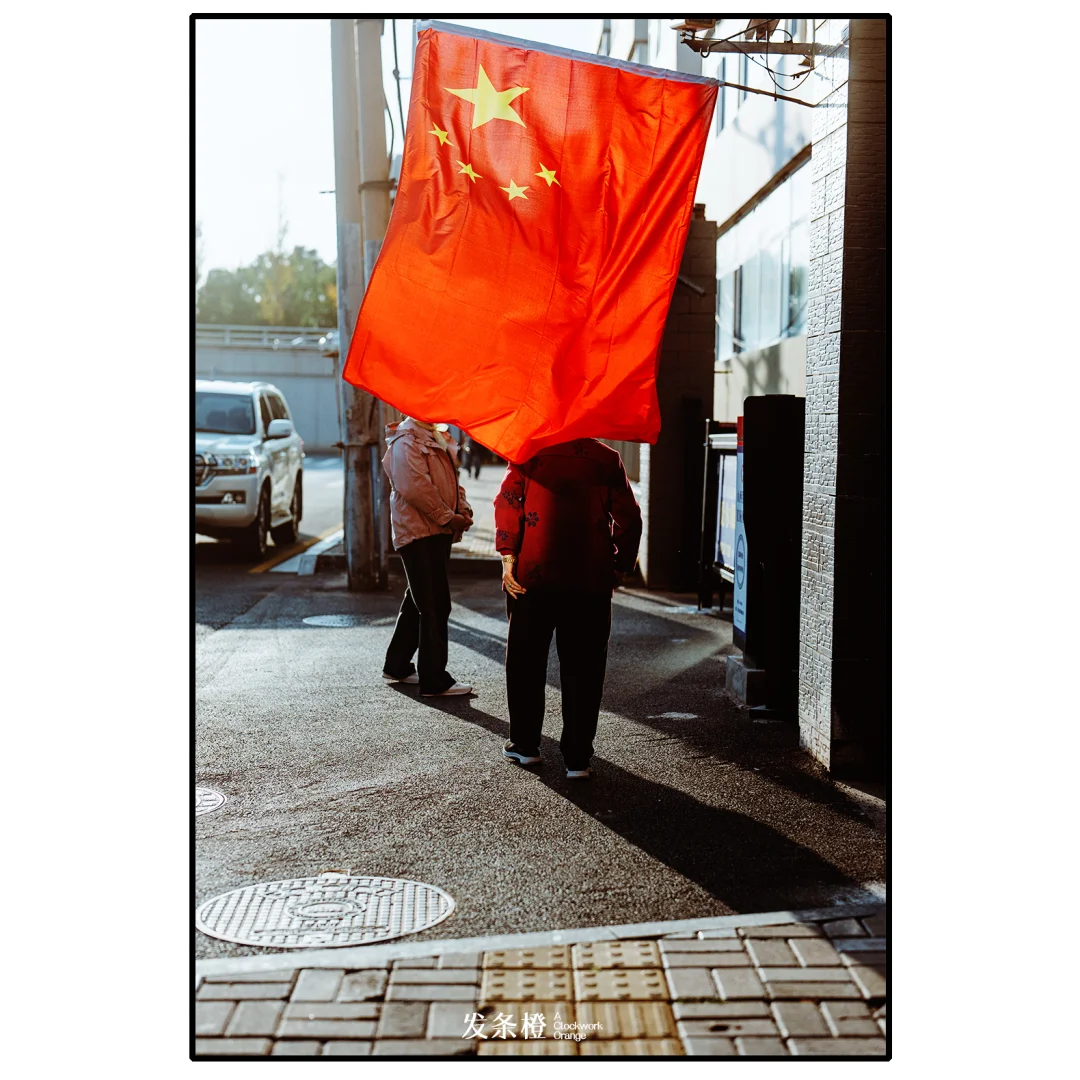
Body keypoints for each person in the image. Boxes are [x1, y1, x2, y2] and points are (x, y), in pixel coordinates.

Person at [494, 438, 642, 779]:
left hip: (532, 577)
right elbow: (629, 518)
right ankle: (578, 758)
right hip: (589, 580)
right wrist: (618, 566)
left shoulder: (527, 453)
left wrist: (508, 558)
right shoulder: (606, 459)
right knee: (584, 667)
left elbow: (508, 504)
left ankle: (525, 745)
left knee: (526, 662)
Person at [381, 417, 474, 696]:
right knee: (434, 603)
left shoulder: (434, 435)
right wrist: (448, 518)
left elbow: (452, 480)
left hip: (435, 531)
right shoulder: (407, 440)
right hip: (418, 532)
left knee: (419, 598)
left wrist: (463, 509)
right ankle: (434, 679)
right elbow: (415, 488)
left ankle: (397, 665)